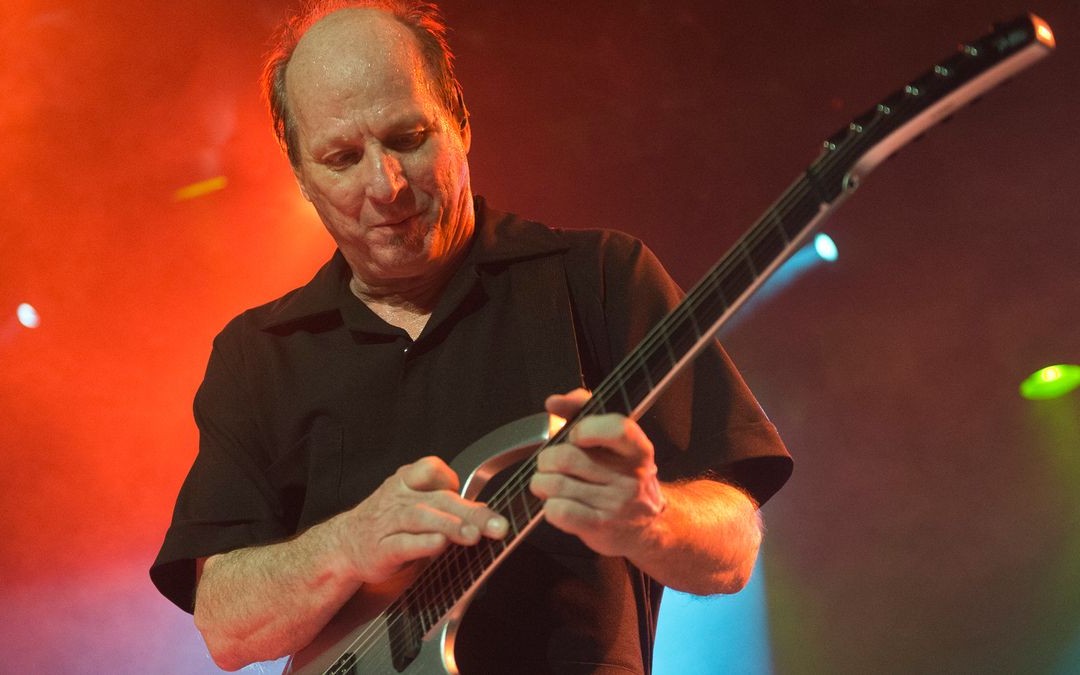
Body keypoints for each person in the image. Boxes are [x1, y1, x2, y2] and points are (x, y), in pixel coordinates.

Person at [150, 2, 792, 672]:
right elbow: (227, 628)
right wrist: (345, 545)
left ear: (459, 119)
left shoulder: (601, 277)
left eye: (407, 137)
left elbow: (735, 545)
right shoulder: (259, 352)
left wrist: (647, 519)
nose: (386, 184)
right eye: (342, 157)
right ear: (302, 178)